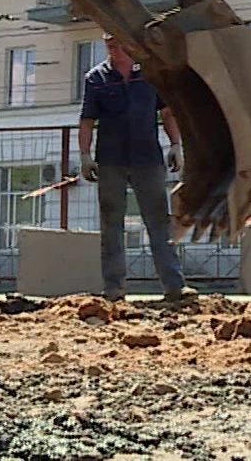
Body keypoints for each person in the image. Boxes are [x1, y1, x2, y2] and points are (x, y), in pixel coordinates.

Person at [79, 34, 194, 303]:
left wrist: (176, 145)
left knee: (158, 223)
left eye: (116, 40)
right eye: (107, 41)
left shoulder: (151, 74)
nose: (111, 45)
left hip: (148, 160)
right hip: (110, 161)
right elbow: (86, 120)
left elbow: (167, 112)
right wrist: (85, 156)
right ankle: (114, 290)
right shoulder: (96, 78)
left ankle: (174, 287)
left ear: (130, 43)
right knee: (111, 225)